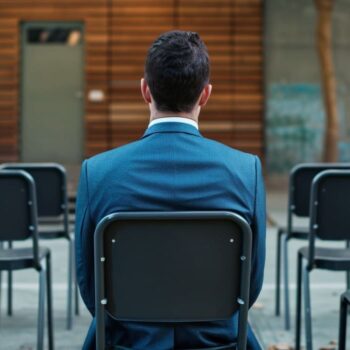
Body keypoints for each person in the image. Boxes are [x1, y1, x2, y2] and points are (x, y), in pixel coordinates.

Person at [75, 30, 266, 350]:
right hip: (217, 341)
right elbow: (251, 284)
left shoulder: (97, 172)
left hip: (128, 340)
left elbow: (90, 284)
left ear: (145, 90)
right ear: (205, 94)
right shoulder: (246, 171)